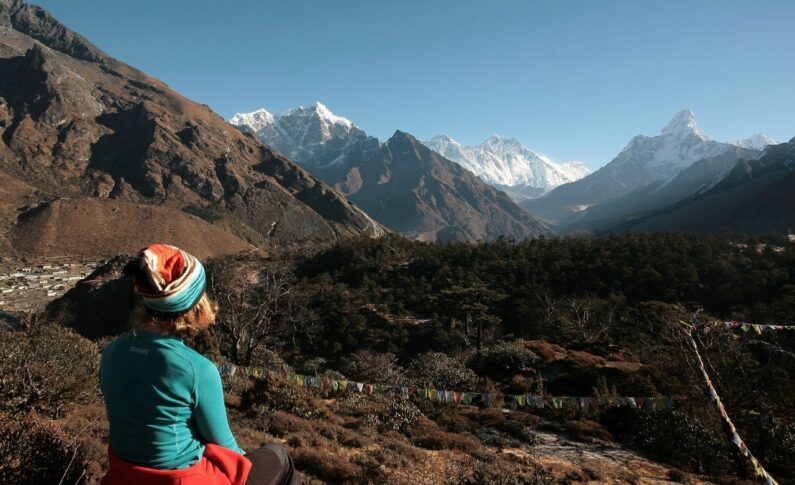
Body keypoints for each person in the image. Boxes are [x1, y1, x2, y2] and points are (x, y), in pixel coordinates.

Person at [99, 243, 299, 485]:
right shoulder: (196, 369)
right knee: (279, 457)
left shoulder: (112, 351)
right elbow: (225, 446)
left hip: (123, 476)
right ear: (194, 302)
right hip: (179, 479)